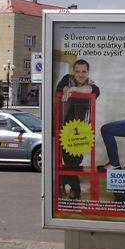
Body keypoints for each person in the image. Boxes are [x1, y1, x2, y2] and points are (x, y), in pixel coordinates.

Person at [55, 59, 100, 199]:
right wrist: (66, 89)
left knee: (74, 160)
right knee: (70, 160)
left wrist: (73, 89)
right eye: (78, 71)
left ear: (88, 72)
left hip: (80, 131)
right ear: (73, 71)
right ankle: (75, 190)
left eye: (84, 71)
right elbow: (59, 88)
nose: (80, 75)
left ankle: (66, 183)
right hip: (63, 128)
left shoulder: (91, 84)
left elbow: (94, 91)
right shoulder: (67, 79)